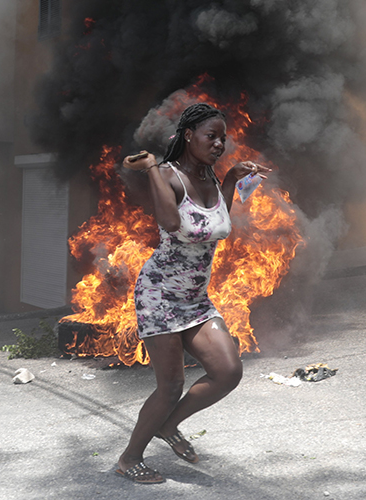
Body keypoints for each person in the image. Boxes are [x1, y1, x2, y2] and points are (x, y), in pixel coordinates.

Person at [115, 103, 270, 484]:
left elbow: (220, 221)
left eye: (223, 138)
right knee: (170, 386)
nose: (219, 143)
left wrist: (232, 176)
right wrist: (151, 166)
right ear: (188, 136)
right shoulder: (168, 175)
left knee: (227, 371)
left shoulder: (212, 179)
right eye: (210, 136)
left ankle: (168, 426)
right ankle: (129, 458)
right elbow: (171, 222)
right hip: (160, 295)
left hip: (196, 299)